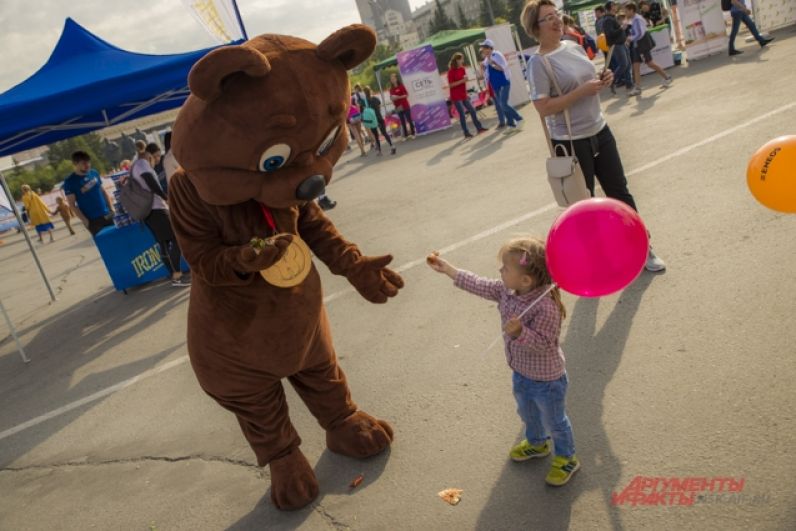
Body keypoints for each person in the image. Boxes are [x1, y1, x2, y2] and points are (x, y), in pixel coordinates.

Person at [521, 0, 666, 271]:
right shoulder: (538, 63)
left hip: (600, 129)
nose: (556, 21)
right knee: (582, 207)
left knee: (620, 192)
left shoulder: (573, 46)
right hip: (570, 141)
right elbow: (542, 108)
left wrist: (604, 77)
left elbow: (587, 80)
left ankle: (642, 247)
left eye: (556, 15)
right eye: (547, 18)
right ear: (534, 28)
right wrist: (581, 92)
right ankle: (597, 261)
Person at [427, 238, 580, 486]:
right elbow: (479, 284)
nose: (500, 272)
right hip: (521, 373)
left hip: (548, 381)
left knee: (556, 421)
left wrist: (521, 332)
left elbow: (544, 344)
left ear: (526, 280)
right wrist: (449, 270)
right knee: (528, 413)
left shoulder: (545, 308)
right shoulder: (507, 291)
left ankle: (567, 458)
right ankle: (537, 442)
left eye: (505, 269)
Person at [130, 143, 190, 287]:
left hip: (149, 211)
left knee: (163, 243)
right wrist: (165, 197)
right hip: (156, 209)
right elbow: (151, 182)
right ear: (149, 155)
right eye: (156, 156)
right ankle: (177, 276)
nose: (158, 159)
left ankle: (174, 275)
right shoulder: (143, 164)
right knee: (176, 239)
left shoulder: (136, 165)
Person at [63, 150, 115, 236]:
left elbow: (103, 192)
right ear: (75, 164)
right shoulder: (69, 181)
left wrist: (111, 208)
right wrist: (85, 220)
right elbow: (72, 205)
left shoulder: (94, 173)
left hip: (107, 214)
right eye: (83, 163)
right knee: (105, 246)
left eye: (88, 162)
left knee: (118, 241)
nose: (87, 165)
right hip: (92, 221)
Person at [625, 2, 672, 95]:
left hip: (641, 44)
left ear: (631, 10)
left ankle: (667, 77)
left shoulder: (637, 19)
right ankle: (638, 88)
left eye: (626, 11)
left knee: (650, 63)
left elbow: (640, 33)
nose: (625, 13)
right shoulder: (634, 19)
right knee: (636, 66)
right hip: (637, 45)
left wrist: (630, 38)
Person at [480, 39, 525, 134]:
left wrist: (492, 63)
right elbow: (484, 72)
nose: (482, 50)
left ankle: (519, 119)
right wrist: (483, 67)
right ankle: (511, 124)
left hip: (504, 82)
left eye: (484, 47)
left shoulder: (497, 55)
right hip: (495, 84)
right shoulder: (486, 59)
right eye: (483, 48)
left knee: (503, 103)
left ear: (489, 48)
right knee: (501, 105)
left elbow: (502, 68)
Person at [447, 53, 489, 139]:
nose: (463, 61)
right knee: (462, 114)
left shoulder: (462, 69)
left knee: (472, 110)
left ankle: (479, 128)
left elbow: (464, 81)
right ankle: (466, 133)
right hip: (456, 96)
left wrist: (465, 88)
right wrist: (462, 81)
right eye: (461, 59)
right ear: (457, 60)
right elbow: (451, 85)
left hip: (463, 94)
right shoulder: (451, 71)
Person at [603, 1, 634, 95]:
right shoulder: (608, 19)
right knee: (624, 64)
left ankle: (629, 84)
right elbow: (610, 33)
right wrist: (621, 28)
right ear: (610, 8)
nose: (615, 7)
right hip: (616, 45)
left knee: (627, 64)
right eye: (613, 6)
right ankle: (612, 81)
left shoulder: (612, 18)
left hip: (621, 43)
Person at [362, 86, 396, 155]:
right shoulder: (376, 98)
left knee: (376, 136)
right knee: (384, 133)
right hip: (379, 117)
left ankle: (379, 151)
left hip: (372, 120)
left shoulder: (365, 101)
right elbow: (379, 107)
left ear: (364, 93)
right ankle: (392, 146)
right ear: (370, 91)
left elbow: (365, 111)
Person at [388, 73, 416, 139]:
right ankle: (405, 135)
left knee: (409, 120)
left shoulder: (401, 86)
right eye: (391, 79)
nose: (393, 80)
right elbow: (391, 98)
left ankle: (413, 133)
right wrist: (393, 99)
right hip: (398, 107)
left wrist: (398, 97)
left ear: (396, 79)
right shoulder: (391, 89)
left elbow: (406, 95)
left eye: (393, 79)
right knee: (402, 122)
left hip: (405, 105)